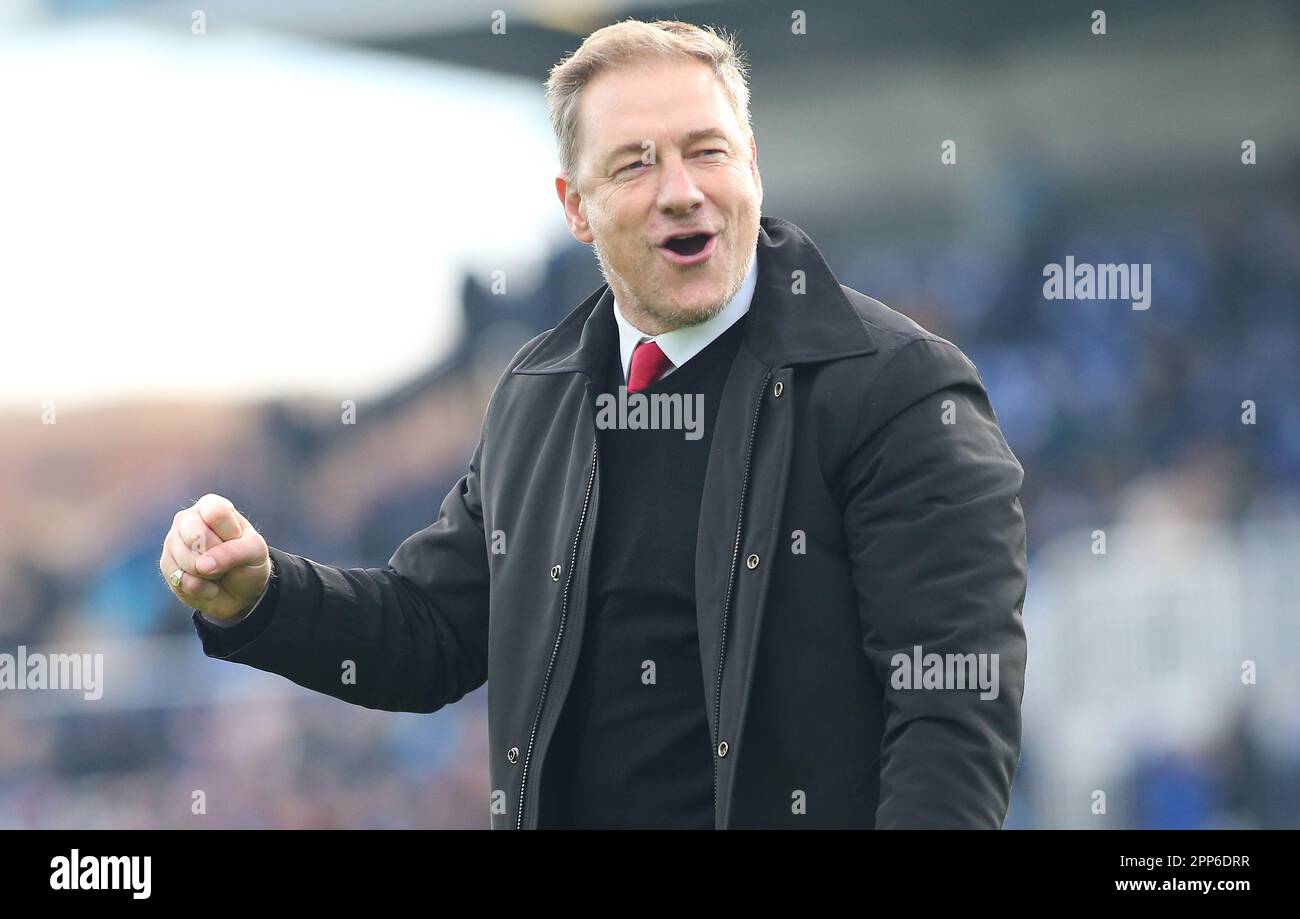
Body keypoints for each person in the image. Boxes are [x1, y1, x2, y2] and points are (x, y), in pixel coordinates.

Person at [160, 18, 1028, 829]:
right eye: (636, 165)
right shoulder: (539, 392)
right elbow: (430, 634)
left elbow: (952, 710)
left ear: (752, 167)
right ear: (576, 207)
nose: (682, 192)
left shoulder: (894, 389)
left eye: (707, 152)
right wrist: (264, 596)